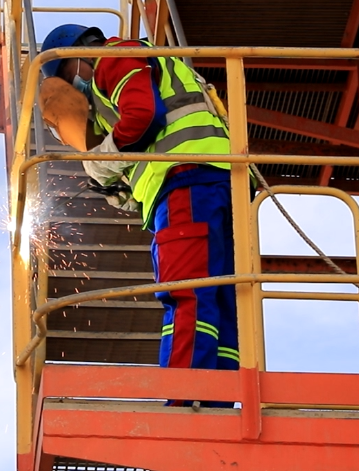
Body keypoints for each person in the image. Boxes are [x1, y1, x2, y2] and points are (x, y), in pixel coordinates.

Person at [40, 24, 240, 385]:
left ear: (80, 53)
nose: (74, 88)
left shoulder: (112, 59)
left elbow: (144, 118)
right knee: (223, 301)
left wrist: (106, 158)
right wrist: (121, 186)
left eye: (69, 77)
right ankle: (220, 395)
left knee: (186, 292)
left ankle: (187, 397)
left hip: (186, 181)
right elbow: (146, 142)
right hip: (220, 182)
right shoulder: (129, 76)